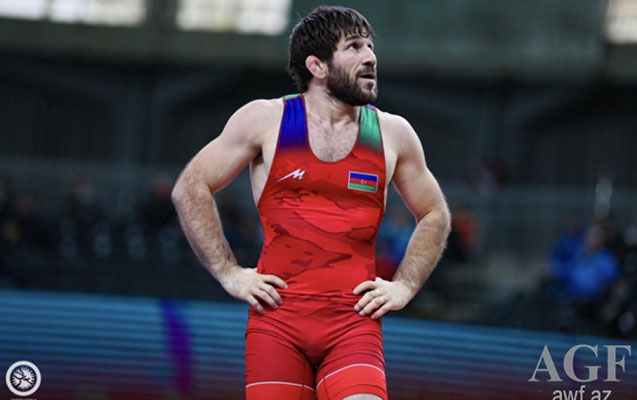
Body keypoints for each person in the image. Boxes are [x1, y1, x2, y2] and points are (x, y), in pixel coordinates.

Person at [172, 6, 450, 400]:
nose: (371, 57)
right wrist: (228, 272)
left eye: (370, 46)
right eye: (354, 47)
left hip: (353, 325)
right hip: (277, 323)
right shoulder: (265, 120)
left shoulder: (393, 133)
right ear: (317, 66)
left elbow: (435, 212)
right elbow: (190, 187)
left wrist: (405, 285)